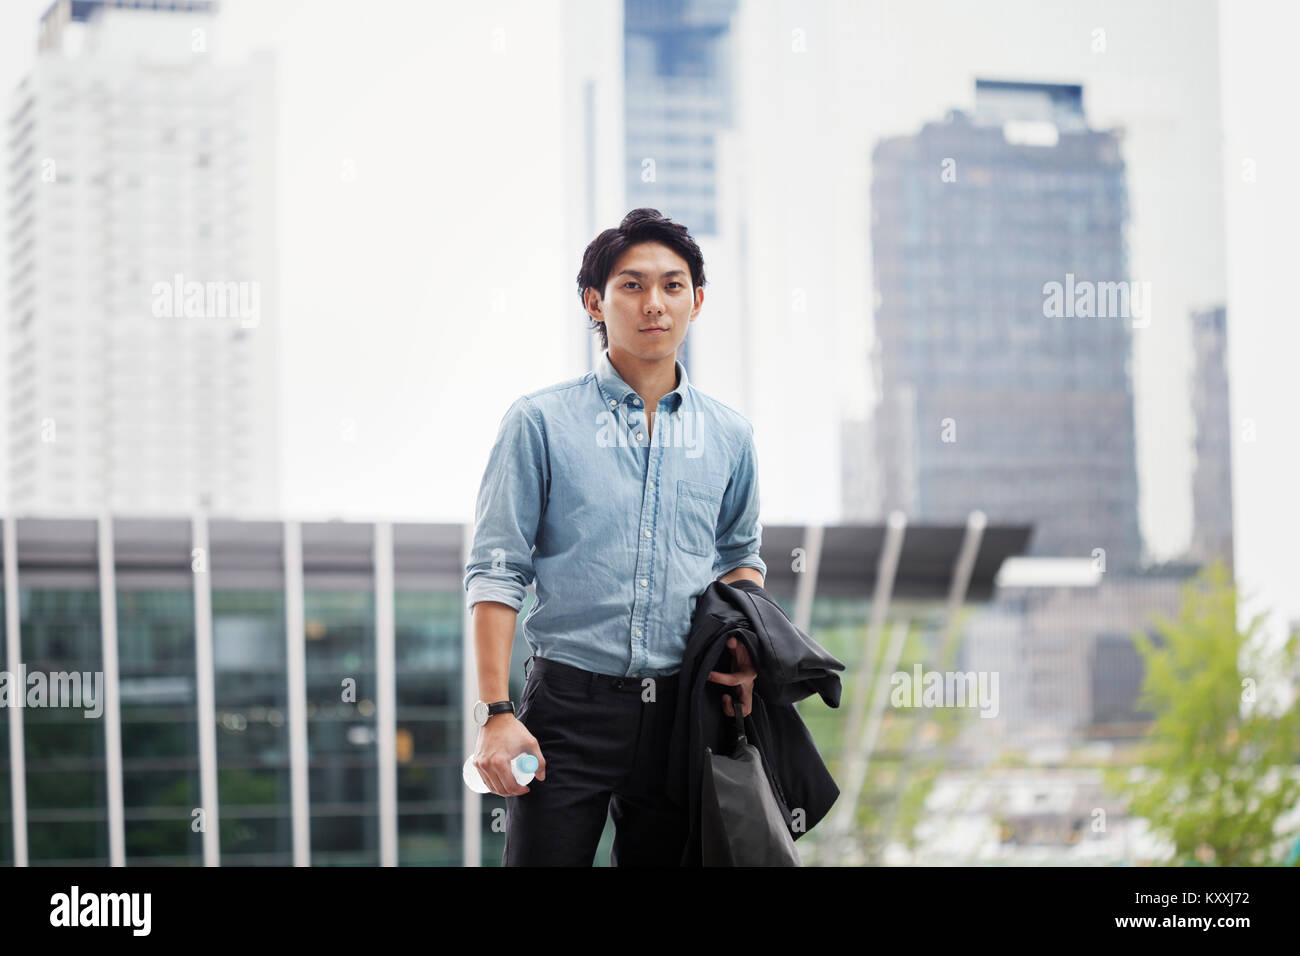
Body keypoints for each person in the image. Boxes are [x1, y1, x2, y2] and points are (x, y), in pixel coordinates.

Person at [463, 208, 767, 866]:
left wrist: (744, 646)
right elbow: (495, 569)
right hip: (567, 710)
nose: (654, 303)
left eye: (673, 285)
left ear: (698, 300)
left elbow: (741, 559)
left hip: (685, 711)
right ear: (593, 302)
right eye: (631, 285)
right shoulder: (539, 423)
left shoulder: (730, 437)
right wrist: (494, 709)